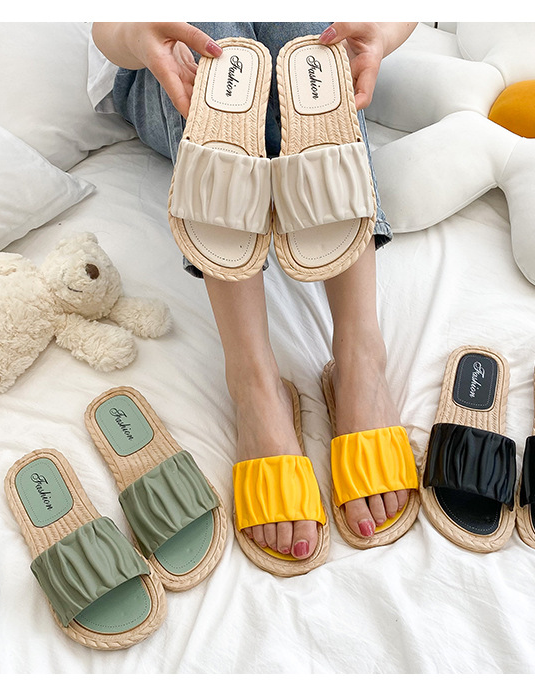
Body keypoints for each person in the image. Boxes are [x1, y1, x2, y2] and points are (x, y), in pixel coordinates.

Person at [91, 22, 418, 561]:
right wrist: (140, 36)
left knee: (316, 39)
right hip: (176, 83)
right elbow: (110, 29)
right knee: (211, 38)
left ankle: (361, 359)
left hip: (307, 84)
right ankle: (253, 381)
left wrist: (378, 32)